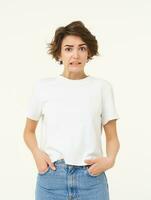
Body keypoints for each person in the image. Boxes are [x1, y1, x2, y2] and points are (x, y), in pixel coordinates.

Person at [23, 20, 120, 200]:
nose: (75, 55)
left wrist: (109, 160)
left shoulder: (102, 88)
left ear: (89, 52)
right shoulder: (43, 87)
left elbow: (112, 137)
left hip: (91, 180)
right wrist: (37, 154)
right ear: (59, 53)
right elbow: (28, 131)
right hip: (52, 178)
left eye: (81, 48)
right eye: (68, 49)